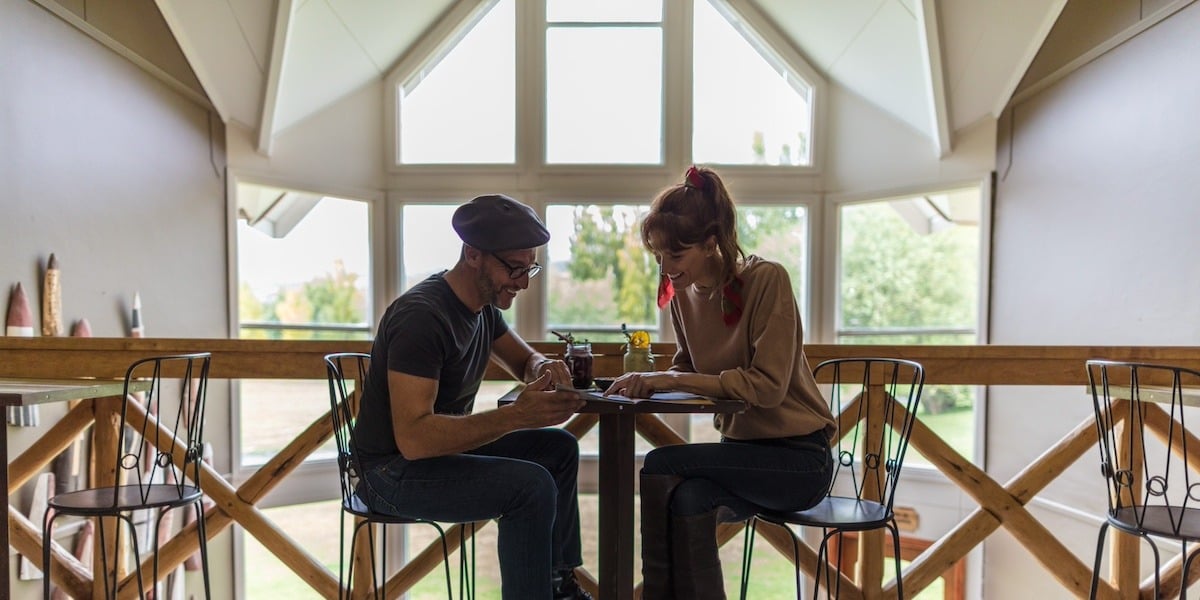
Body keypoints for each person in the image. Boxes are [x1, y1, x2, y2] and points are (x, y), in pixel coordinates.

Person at [604, 166, 837, 599]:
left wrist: (667, 378)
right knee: (689, 498)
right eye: (658, 256)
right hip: (740, 454)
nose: (666, 268)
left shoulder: (767, 280)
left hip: (799, 460)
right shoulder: (683, 294)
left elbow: (766, 388)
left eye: (676, 255)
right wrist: (650, 381)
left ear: (711, 244)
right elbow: (686, 370)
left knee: (660, 465)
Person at [353, 194, 593, 600]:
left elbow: (525, 359)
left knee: (558, 449)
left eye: (529, 267)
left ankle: (559, 587)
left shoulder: (482, 308)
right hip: (387, 474)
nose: (523, 282)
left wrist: (541, 369)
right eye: (514, 268)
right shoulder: (422, 318)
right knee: (530, 486)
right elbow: (415, 440)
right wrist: (517, 416)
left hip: (436, 459)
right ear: (473, 254)